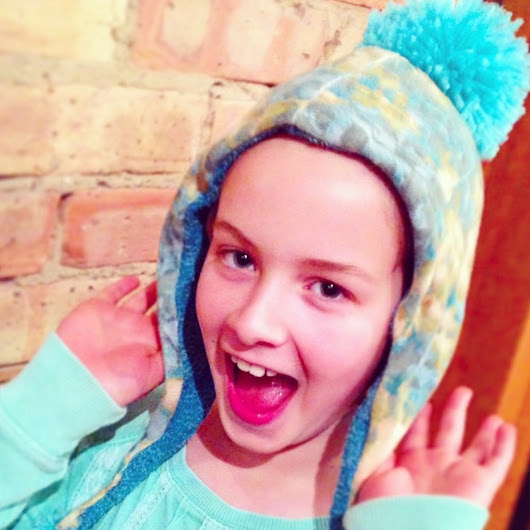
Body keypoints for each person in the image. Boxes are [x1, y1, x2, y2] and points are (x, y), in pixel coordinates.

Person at [0, 0, 528, 528]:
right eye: (240, 258)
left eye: (328, 288)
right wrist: (36, 418)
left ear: (411, 320)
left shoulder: (383, 518)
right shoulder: (110, 436)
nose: (253, 322)